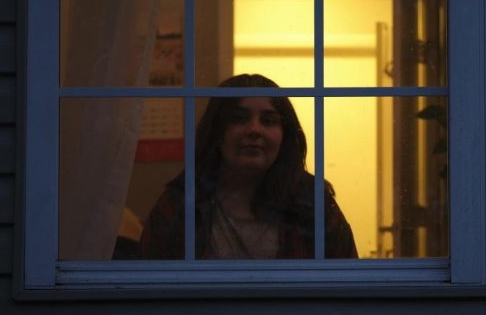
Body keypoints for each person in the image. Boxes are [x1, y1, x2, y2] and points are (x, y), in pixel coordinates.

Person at [140, 74, 357, 259]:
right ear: (217, 132)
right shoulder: (182, 202)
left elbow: (349, 281)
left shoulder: (311, 202)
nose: (254, 130)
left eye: (269, 121)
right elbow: (147, 286)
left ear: (285, 136)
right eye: (239, 119)